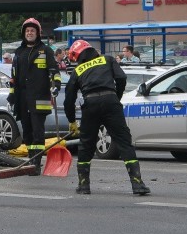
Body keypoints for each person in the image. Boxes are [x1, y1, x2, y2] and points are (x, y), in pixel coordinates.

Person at [63, 40, 151, 196]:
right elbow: (122, 78)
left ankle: (84, 185)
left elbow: (69, 98)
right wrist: (116, 97)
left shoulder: (78, 70)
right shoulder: (108, 59)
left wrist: (72, 121)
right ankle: (137, 184)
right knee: (124, 142)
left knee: (86, 145)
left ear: (77, 56)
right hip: (111, 101)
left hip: (90, 105)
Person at [7, 18, 61, 175]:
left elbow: (54, 72)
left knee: (38, 131)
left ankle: (36, 164)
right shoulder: (19, 52)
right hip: (22, 99)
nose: (29, 33)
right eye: (27, 31)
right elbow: (13, 76)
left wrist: (55, 87)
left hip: (39, 97)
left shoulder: (46, 51)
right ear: (24, 33)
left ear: (38, 33)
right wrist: (11, 95)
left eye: (32, 30)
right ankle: (31, 160)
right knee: (28, 131)